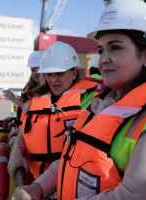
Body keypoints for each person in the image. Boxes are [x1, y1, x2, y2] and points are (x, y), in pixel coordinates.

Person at [12, 1, 146, 200]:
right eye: (101, 50)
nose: (103, 59)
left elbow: (132, 196)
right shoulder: (102, 107)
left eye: (115, 48)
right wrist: (38, 187)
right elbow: (74, 157)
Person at [7, 41, 98, 188]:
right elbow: (27, 131)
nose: (53, 79)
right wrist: (16, 150)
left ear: (74, 73)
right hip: (37, 182)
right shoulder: (38, 99)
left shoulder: (91, 101)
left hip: (72, 185)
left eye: (59, 73)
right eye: (49, 74)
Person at [9, 50, 44, 119]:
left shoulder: (49, 90)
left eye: (38, 69)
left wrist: (15, 100)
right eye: (33, 70)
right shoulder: (29, 87)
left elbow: (32, 110)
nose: (35, 73)